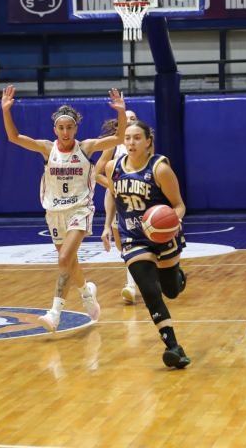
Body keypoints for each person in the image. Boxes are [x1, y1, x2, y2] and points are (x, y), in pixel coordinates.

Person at [0, 84, 127, 332]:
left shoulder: (86, 147)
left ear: (76, 128)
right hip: (54, 212)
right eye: (61, 127)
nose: (66, 132)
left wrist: (121, 112)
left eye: (70, 127)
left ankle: (54, 312)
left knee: (63, 258)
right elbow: (14, 138)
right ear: (55, 129)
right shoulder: (48, 148)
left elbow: (119, 137)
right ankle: (87, 293)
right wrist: (6, 110)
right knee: (69, 263)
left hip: (80, 209)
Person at [102, 120, 190, 369]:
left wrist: (174, 220)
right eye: (127, 138)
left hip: (162, 237)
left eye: (137, 137)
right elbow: (111, 194)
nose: (131, 142)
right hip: (133, 238)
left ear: (148, 141)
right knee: (149, 291)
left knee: (170, 290)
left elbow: (179, 205)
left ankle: (178, 277)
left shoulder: (160, 169)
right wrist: (108, 225)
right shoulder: (113, 167)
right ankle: (174, 347)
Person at [94, 110, 140, 303]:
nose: (129, 121)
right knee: (123, 246)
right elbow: (96, 174)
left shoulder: (142, 144)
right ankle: (132, 282)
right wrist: (114, 186)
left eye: (133, 119)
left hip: (138, 198)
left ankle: (132, 285)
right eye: (126, 118)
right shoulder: (112, 145)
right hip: (115, 198)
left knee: (137, 242)